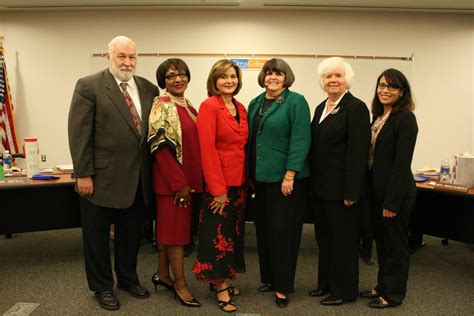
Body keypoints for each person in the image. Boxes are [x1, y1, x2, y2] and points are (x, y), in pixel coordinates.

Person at [68, 36, 159, 311]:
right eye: (121, 56)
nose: (127, 62)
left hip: (137, 181)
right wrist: (83, 174)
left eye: (132, 57)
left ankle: (128, 280)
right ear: (108, 57)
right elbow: (79, 133)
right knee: (96, 238)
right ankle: (102, 287)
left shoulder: (148, 88)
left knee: (131, 236)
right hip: (100, 180)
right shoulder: (89, 86)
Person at [247, 58, 311, 308]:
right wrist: (249, 176)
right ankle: (270, 279)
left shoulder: (296, 102)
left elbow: (301, 139)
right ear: (263, 76)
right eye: (269, 73)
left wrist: (290, 174)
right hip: (260, 179)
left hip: (285, 180)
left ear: (286, 78)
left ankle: (283, 287)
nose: (272, 77)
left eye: (278, 74)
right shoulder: (256, 102)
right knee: (264, 230)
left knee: (283, 234)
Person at [309, 57, 371, 306]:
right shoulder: (321, 107)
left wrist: (352, 191)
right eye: (328, 76)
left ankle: (344, 291)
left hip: (343, 191)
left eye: (338, 75)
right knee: (324, 239)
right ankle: (325, 284)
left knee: (343, 242)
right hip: (322, 190)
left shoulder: (356, 107)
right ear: (322, 81)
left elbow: (359, 152)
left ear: (347, 80)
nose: (333, 80)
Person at [192, 59, 248, 313]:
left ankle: (225, 277)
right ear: (214, 81)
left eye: (233, 76)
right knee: (217, 237)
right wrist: (218, 189)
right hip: (220, 186)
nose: (229, 81)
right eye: (223, 77)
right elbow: (207, 150)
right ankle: (220, 284)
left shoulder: (240, 107)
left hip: (239, 184)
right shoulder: (209, 106)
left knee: (232, 235)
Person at [360, 68, 418, 309]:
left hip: (395, 195)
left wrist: (391, 203)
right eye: (381, 85)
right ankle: (382, 285)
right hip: (377, 192)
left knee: (395, 247)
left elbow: (401, 165)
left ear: (401, 91)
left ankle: (393, 295)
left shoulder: (405, 118)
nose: (384, 90)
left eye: (391, 87)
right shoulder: (378, 116)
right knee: (382, 243)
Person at [147, 59, 202, 307]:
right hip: (173, 185)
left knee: (168, 234)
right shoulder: (163, 105)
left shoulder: (188, 105)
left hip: (186, 182)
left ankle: (163, 274)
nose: (177, 79)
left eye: (181, 74)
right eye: (170, 76)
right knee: (177, 236)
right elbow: (159, 148)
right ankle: (180, 285)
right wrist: (179, 184)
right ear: (163, 82)